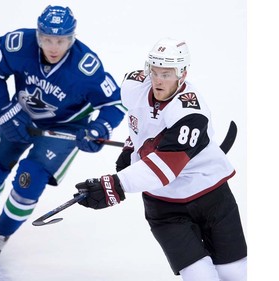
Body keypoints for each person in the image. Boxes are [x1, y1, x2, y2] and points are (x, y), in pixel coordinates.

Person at [0, 5, 125, 264]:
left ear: (72, 38)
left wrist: (99, 129)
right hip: (20, 113)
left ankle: (2, 234)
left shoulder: (86, 67)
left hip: (64, 128)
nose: (54, 47)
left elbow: (114, 104)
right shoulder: (19, 44)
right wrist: (5, 107)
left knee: (28, 181)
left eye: (61, 40)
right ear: (38, 35)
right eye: (47, 39)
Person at [74, 38, 247, 280]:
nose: (157, 80)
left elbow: (164, 168)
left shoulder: (190, 112)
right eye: (153, 72)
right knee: (200, 277)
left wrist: (115, 185)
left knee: (235, 273)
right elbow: (140, 124)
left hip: (212, 196)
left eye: (166, 74)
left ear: (182, 73)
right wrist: (129, 148)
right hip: (164, 206)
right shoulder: (134, 86)